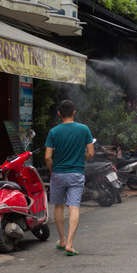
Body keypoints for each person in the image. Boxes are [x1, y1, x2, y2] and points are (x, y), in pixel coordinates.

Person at [44, 100, 94, 256]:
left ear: (59, 114)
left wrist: (53, 170)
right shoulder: (84, 129)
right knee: (74, 207)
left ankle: (62, 240)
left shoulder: (53, 132)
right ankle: (70, 244)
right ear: (74, 112)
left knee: (58, 206)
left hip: (58, 174)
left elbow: (47, 157)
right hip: (76, 173)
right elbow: (91, 153)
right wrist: (81, 158)